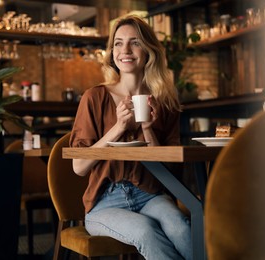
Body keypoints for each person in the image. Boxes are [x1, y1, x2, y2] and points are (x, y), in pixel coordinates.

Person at [69, 15, 192, 260]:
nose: (124, 50)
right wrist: (118, 127)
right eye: (118, 43)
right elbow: (79, 167)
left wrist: (148, 128)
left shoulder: (165, 102)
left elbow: (171, 171)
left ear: (148, 51)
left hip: (151, 195)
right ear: (112, 51)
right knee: (146, 231)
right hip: (105, 202)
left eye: (134, 42)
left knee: (181, 227)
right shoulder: (94, 97)